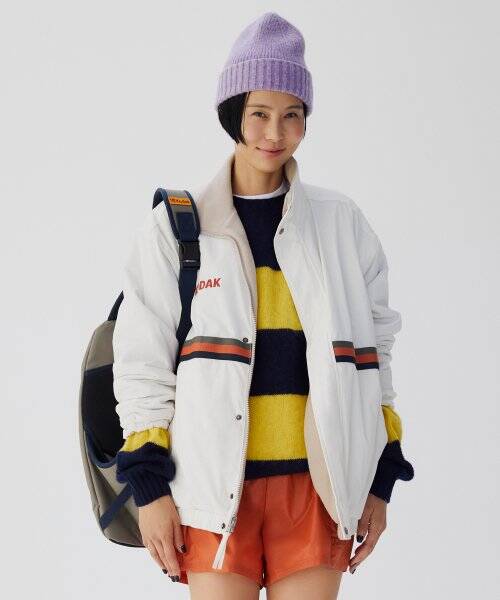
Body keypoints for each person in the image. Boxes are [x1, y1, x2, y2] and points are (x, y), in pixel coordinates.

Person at [112, 11, 414, 599]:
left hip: (317, 491)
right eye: (259, 113)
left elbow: (375, 359)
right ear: (233, 114)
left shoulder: (341, 226)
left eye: (292, 115)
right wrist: (149, 491)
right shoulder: (177, 227)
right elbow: (142, 364)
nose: (275, 132)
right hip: (210, 492)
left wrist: (380, 481)